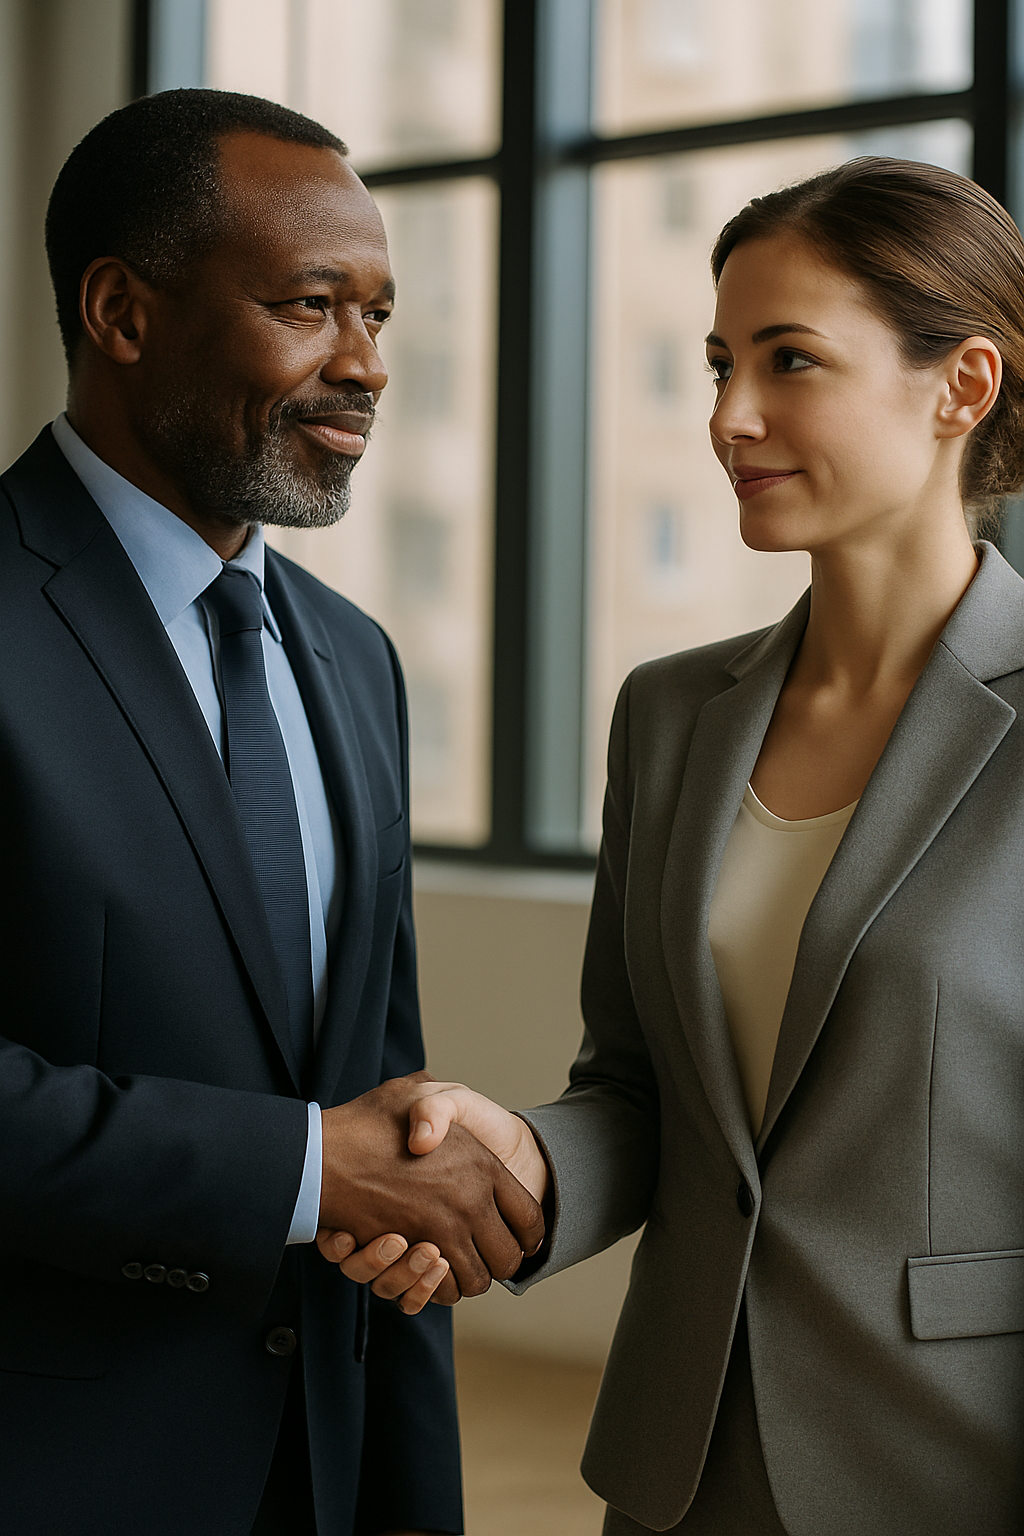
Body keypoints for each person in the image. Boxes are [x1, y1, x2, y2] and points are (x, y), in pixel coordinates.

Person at [333, 158, 1024, 1534]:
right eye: (718, 362)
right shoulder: (673, 716)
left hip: (954, 1462)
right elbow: (644, 1087)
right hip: (686, 1460)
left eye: (790, 361)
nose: (729, 417)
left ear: (962, 387)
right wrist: (510, 1165)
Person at [0, 88, 544, 1536]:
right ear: (121, 312)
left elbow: (383, 1108)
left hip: (326, 1467)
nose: (363, 367)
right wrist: (301, 1171)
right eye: (311, 306)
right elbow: (333, 1153)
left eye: (378, 320)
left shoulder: (353, 659)